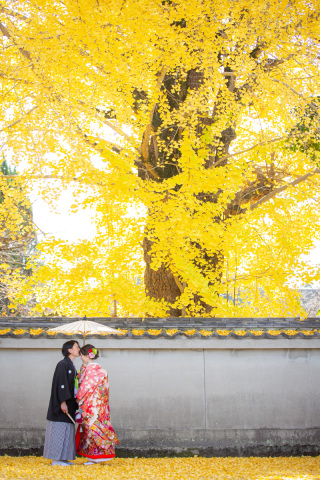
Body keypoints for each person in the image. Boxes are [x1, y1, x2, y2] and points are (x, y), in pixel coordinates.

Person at [75, 344, 120, 465]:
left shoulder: (90, 371)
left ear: (85, 356)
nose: (80, 357)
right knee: (100, 428)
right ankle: (99, 456)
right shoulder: (101, 371)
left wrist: (77, 399)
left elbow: (84, 388)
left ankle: (96, 457)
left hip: (90, 405)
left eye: (81, 355)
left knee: (91, 429)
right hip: (101, 405)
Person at [43, 340, 80, 466]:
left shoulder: (71, 365)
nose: (79, 349)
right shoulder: (62, 364)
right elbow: (61, 385)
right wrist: (63, 402)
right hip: (61, 405)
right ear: (69, 350)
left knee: (67, 430)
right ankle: (56, 459)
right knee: (59, 429)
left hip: (69, 405)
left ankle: (63, 458)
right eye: (76, 347)